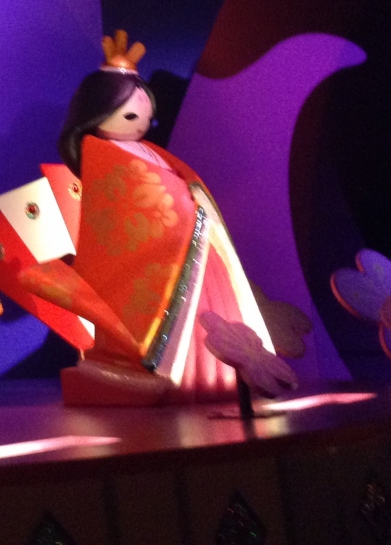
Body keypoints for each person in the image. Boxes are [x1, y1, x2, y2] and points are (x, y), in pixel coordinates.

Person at [51, 31, 276, 405]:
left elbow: (183, 182)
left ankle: (218, 375)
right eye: (130, 115)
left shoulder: (150, 152)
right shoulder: (102, 156)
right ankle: (177, 374)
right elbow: (134, 205)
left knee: (210, 307)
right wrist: (180, 205)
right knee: (169, 322)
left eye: (146, 117)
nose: (141, 124)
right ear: (95, 114)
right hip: (152, 258)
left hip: (196, 248)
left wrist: (196, 203)